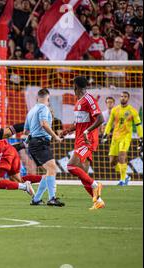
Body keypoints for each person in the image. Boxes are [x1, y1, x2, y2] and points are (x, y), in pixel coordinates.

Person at [59, 76, 105, 210]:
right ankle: (98, 201)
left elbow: (100, 118)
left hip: (87, 140)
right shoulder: (79, 101)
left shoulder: (89, 99)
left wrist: (87, 131)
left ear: (75, 86)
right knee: (83, 175)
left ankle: (96, 185)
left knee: (70, 166)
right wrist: (67, 131)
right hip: (79, 139)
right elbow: (79, 123)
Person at [24, 88, 64, 207]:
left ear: (38, 97)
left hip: (34, 143)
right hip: (40, 142)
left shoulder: (31, 110)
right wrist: (55, 136)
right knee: (52, 168)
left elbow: (26, 130)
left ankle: (36, 199)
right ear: (48, 98)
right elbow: (44, 124)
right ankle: (52, 198)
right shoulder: (43, 108)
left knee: (49, 171)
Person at [102, 91, 143, 186]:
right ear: (119, 98)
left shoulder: (133, 110)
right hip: (115, 137)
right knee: (112, 162)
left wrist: (141, 137)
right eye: (121, 96)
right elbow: (109, 123)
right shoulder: (115, 110)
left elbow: (138, 125)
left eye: (125, 96)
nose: (123, 98)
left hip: (126, 137)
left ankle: (123, 180)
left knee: (122, 157)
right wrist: (105, 133)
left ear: (128, 98)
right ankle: (126, 176)